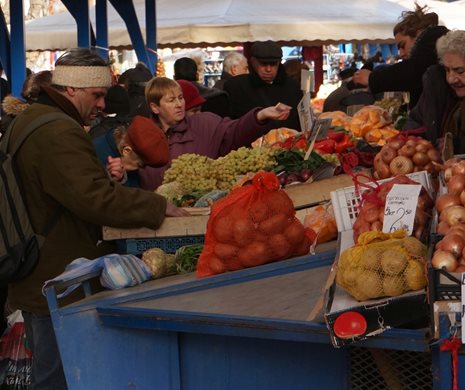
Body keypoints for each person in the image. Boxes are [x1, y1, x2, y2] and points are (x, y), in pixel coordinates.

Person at [5, 48, 188, 390]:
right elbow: (93, 200)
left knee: (53, 370)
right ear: (72, 89)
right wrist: (156, 206)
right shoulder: (59, 131)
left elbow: (64, 188)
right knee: (59, 377)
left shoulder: (30, 119)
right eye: (98, 95)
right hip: (56, 275)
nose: (103, 105)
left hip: (32, 268)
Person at [139, 76, 291, 191]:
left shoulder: (204, 123)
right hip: (159, 218)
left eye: (180, 98)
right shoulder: (141, 137)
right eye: (171, 100)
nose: (179, 105)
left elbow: (235, 131)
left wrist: (260, 115)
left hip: (204, 211)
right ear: (155, 107)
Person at [352, 4, 449, 109]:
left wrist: (372, 78)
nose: (401, 53)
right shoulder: (434, 46)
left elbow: (414, 71)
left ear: (418, 34)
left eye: (403, 46)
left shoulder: (432, 47)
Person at [224, 41, 303, 131]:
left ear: (279, 62)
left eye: (273, 64)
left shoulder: (293, 87)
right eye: (263, 64)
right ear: (253, 62)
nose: (268, 69)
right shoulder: (236, 87)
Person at [93, 115, 170, 187]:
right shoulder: (94, 155)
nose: (140, 170)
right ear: (126, 151)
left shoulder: (125, 159)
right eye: (140, 165)